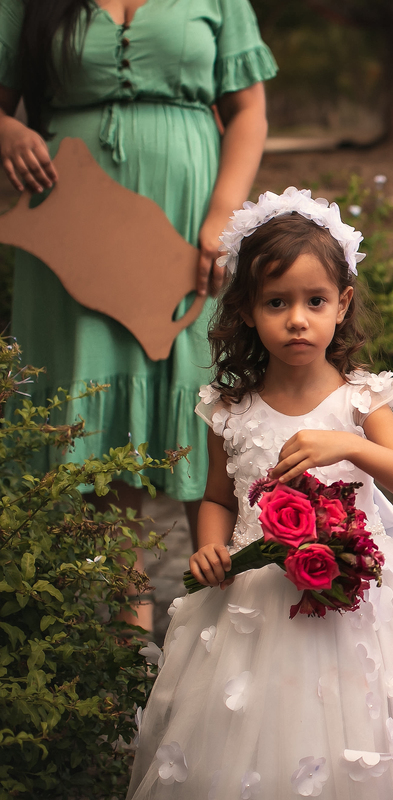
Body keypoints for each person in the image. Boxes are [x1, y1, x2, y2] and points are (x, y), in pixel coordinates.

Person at [126, 189, 393, 800]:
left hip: (359, 600)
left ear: (343, 303)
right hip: (256, 601)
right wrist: (209, 546)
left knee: (362, 730)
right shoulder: (230, 409)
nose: (297, 319)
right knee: (259, 734)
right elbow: (219, 497)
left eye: (315, 301)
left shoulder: (361, 400)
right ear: (247, 309)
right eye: (276, 302)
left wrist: (351, 446)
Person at [0, 0, 277, 629]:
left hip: (190, 222)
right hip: (71, 223)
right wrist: (7, 130)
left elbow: (248, 111)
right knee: (99, 403)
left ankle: (229, 607)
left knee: (205, 390)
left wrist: (222, 219)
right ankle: (130, 619)